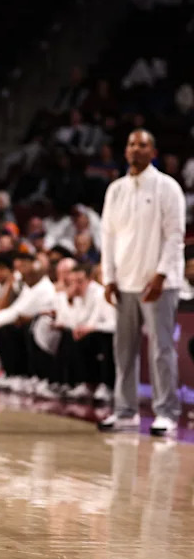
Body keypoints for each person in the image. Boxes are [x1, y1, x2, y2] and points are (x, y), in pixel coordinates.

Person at [98, 130, 184, 436]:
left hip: (158, 283)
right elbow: (106, 237)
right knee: (123, 350)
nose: (136, 149)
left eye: (143, 144)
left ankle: (167, 413)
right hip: (124, 282)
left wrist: (161, 275)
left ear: (153, 151)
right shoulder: (116, 190)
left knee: (161, 350)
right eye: (132, 144)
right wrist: (108, 278)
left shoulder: (167, 187)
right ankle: (125, 411)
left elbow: (175, 236)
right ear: (125, 151)